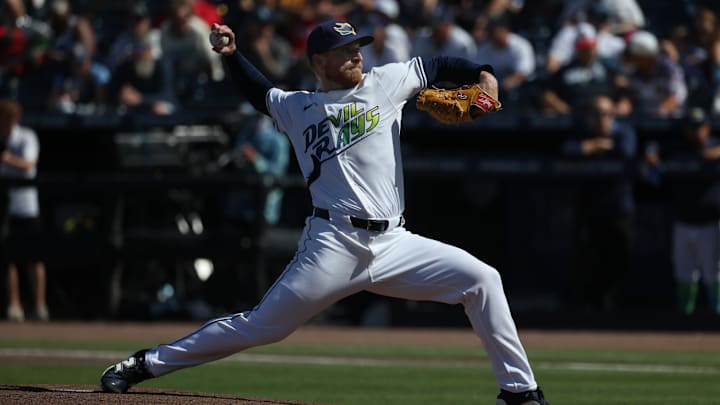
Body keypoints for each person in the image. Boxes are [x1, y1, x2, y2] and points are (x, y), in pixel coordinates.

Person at [99, 19, 550, 405]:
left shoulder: (386, 81)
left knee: (482, 279)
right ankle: (145, 363)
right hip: (332, 243)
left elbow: (441, 66)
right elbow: (259, 92)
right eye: (344, 51)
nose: (356, 56)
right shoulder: (298, 107)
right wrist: (233, 54)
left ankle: (519, 392)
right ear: (319, 61)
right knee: (262, 327)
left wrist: (485, 75)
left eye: (357, 47)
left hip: (395, 242)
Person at [562, 95, 636, 312]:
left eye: (605, 113)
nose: (601, 118)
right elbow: (568, 149)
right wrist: (592, 145)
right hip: (590, 208)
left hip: (619, 208)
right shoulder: (584, 133)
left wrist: (595, 147)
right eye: (596, 114)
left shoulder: (624, 131)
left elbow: (627, 152)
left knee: (618, 259)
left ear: (613, 114)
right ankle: (587, 308)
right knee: (588, 259)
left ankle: (615, 308)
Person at [644, 107, 720, 315]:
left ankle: (716, 313)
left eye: (700, 127)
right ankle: (685, 315)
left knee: (714, 273)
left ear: (707, 127)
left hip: (710, 220)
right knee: (684, 272)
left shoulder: (714, 145)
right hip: (683, 219)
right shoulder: (678, 149)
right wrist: (651, 155)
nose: (697, 132)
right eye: (692, 128)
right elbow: (653, 150)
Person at [0, 99, 47, 322]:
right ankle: (15, 304)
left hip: (27, 205)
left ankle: (39, 305)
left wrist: (7, 159)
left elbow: (30, 164)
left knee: (33, 257)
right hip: (5, 206)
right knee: (8, 258)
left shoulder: (26, 136)